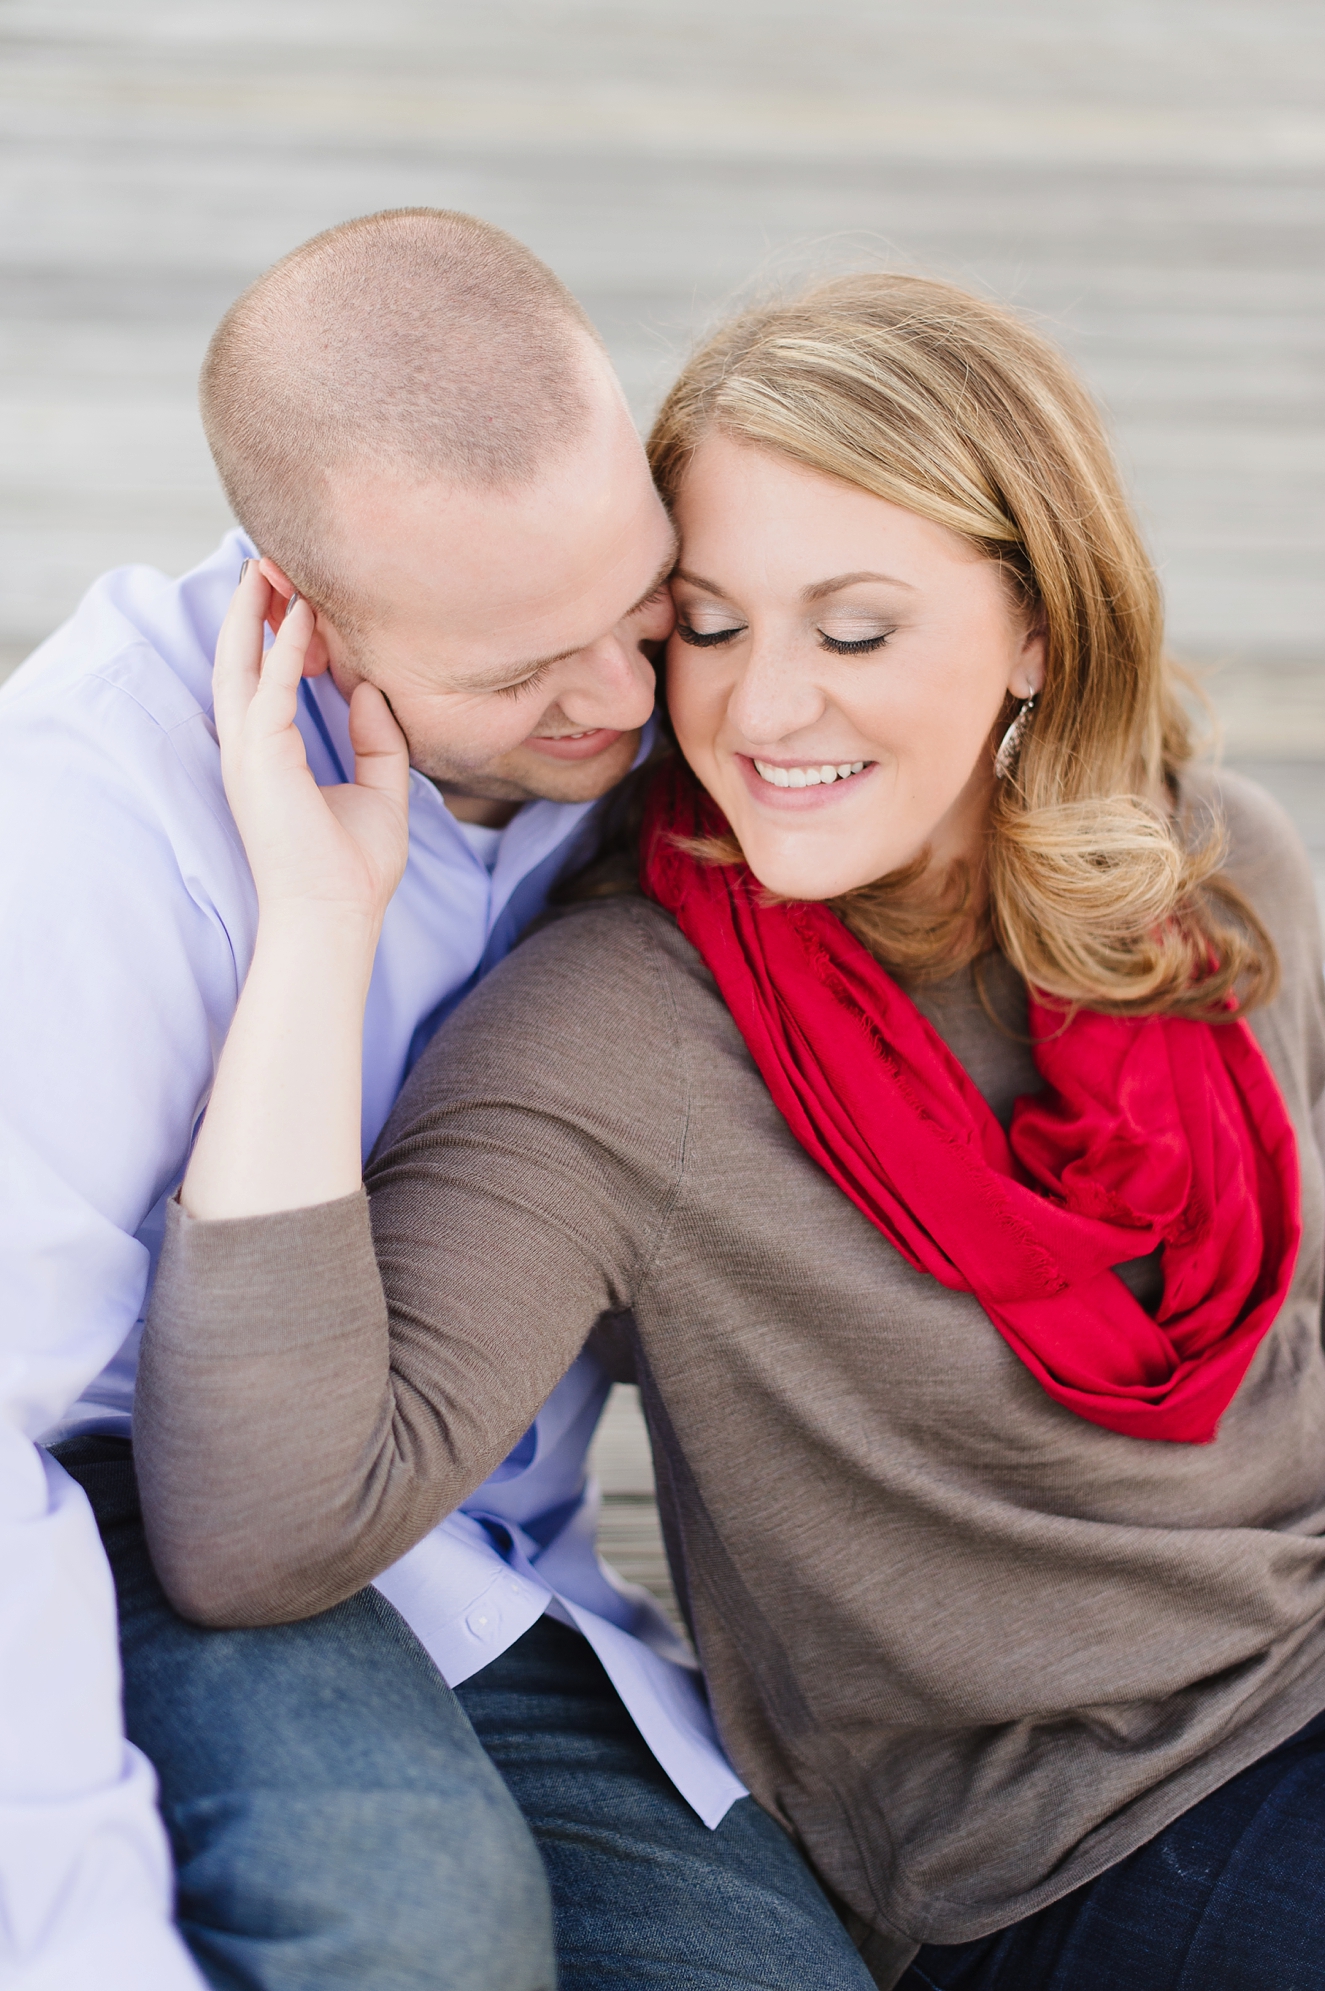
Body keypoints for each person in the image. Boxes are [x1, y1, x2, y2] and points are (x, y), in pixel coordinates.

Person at [140, 269, 1325, 1991]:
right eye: (705, 624)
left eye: (854, 630)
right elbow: (260, 1527)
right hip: (1074, 1843)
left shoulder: (1213, 872)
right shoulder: (627, 1036)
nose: (760, 711)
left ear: (1040, 634)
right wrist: (319, 927)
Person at [0, 203, 763, 1991]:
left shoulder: (705, 701)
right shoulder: (79, 838)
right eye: (516, 671)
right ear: (302, 620)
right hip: (137, 1512)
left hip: (495, 1553)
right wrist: (87, 1941)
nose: (624, 697)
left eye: (639, 605)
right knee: (408, 1941)